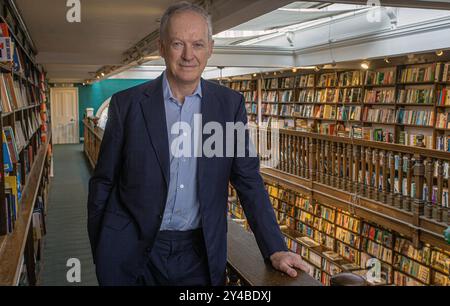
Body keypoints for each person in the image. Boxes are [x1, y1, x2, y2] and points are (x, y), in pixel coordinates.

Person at [87, 1, 308, 286]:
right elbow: (103, 182)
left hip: (199, 254)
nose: (189, 55)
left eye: (198, 44)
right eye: (178, 43)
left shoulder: (229, 106)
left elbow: (248, 180)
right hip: (132, 250)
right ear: (162, 47)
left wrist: (275, 247)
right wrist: (102, 246)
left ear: (211, 48)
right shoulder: (127, 105)